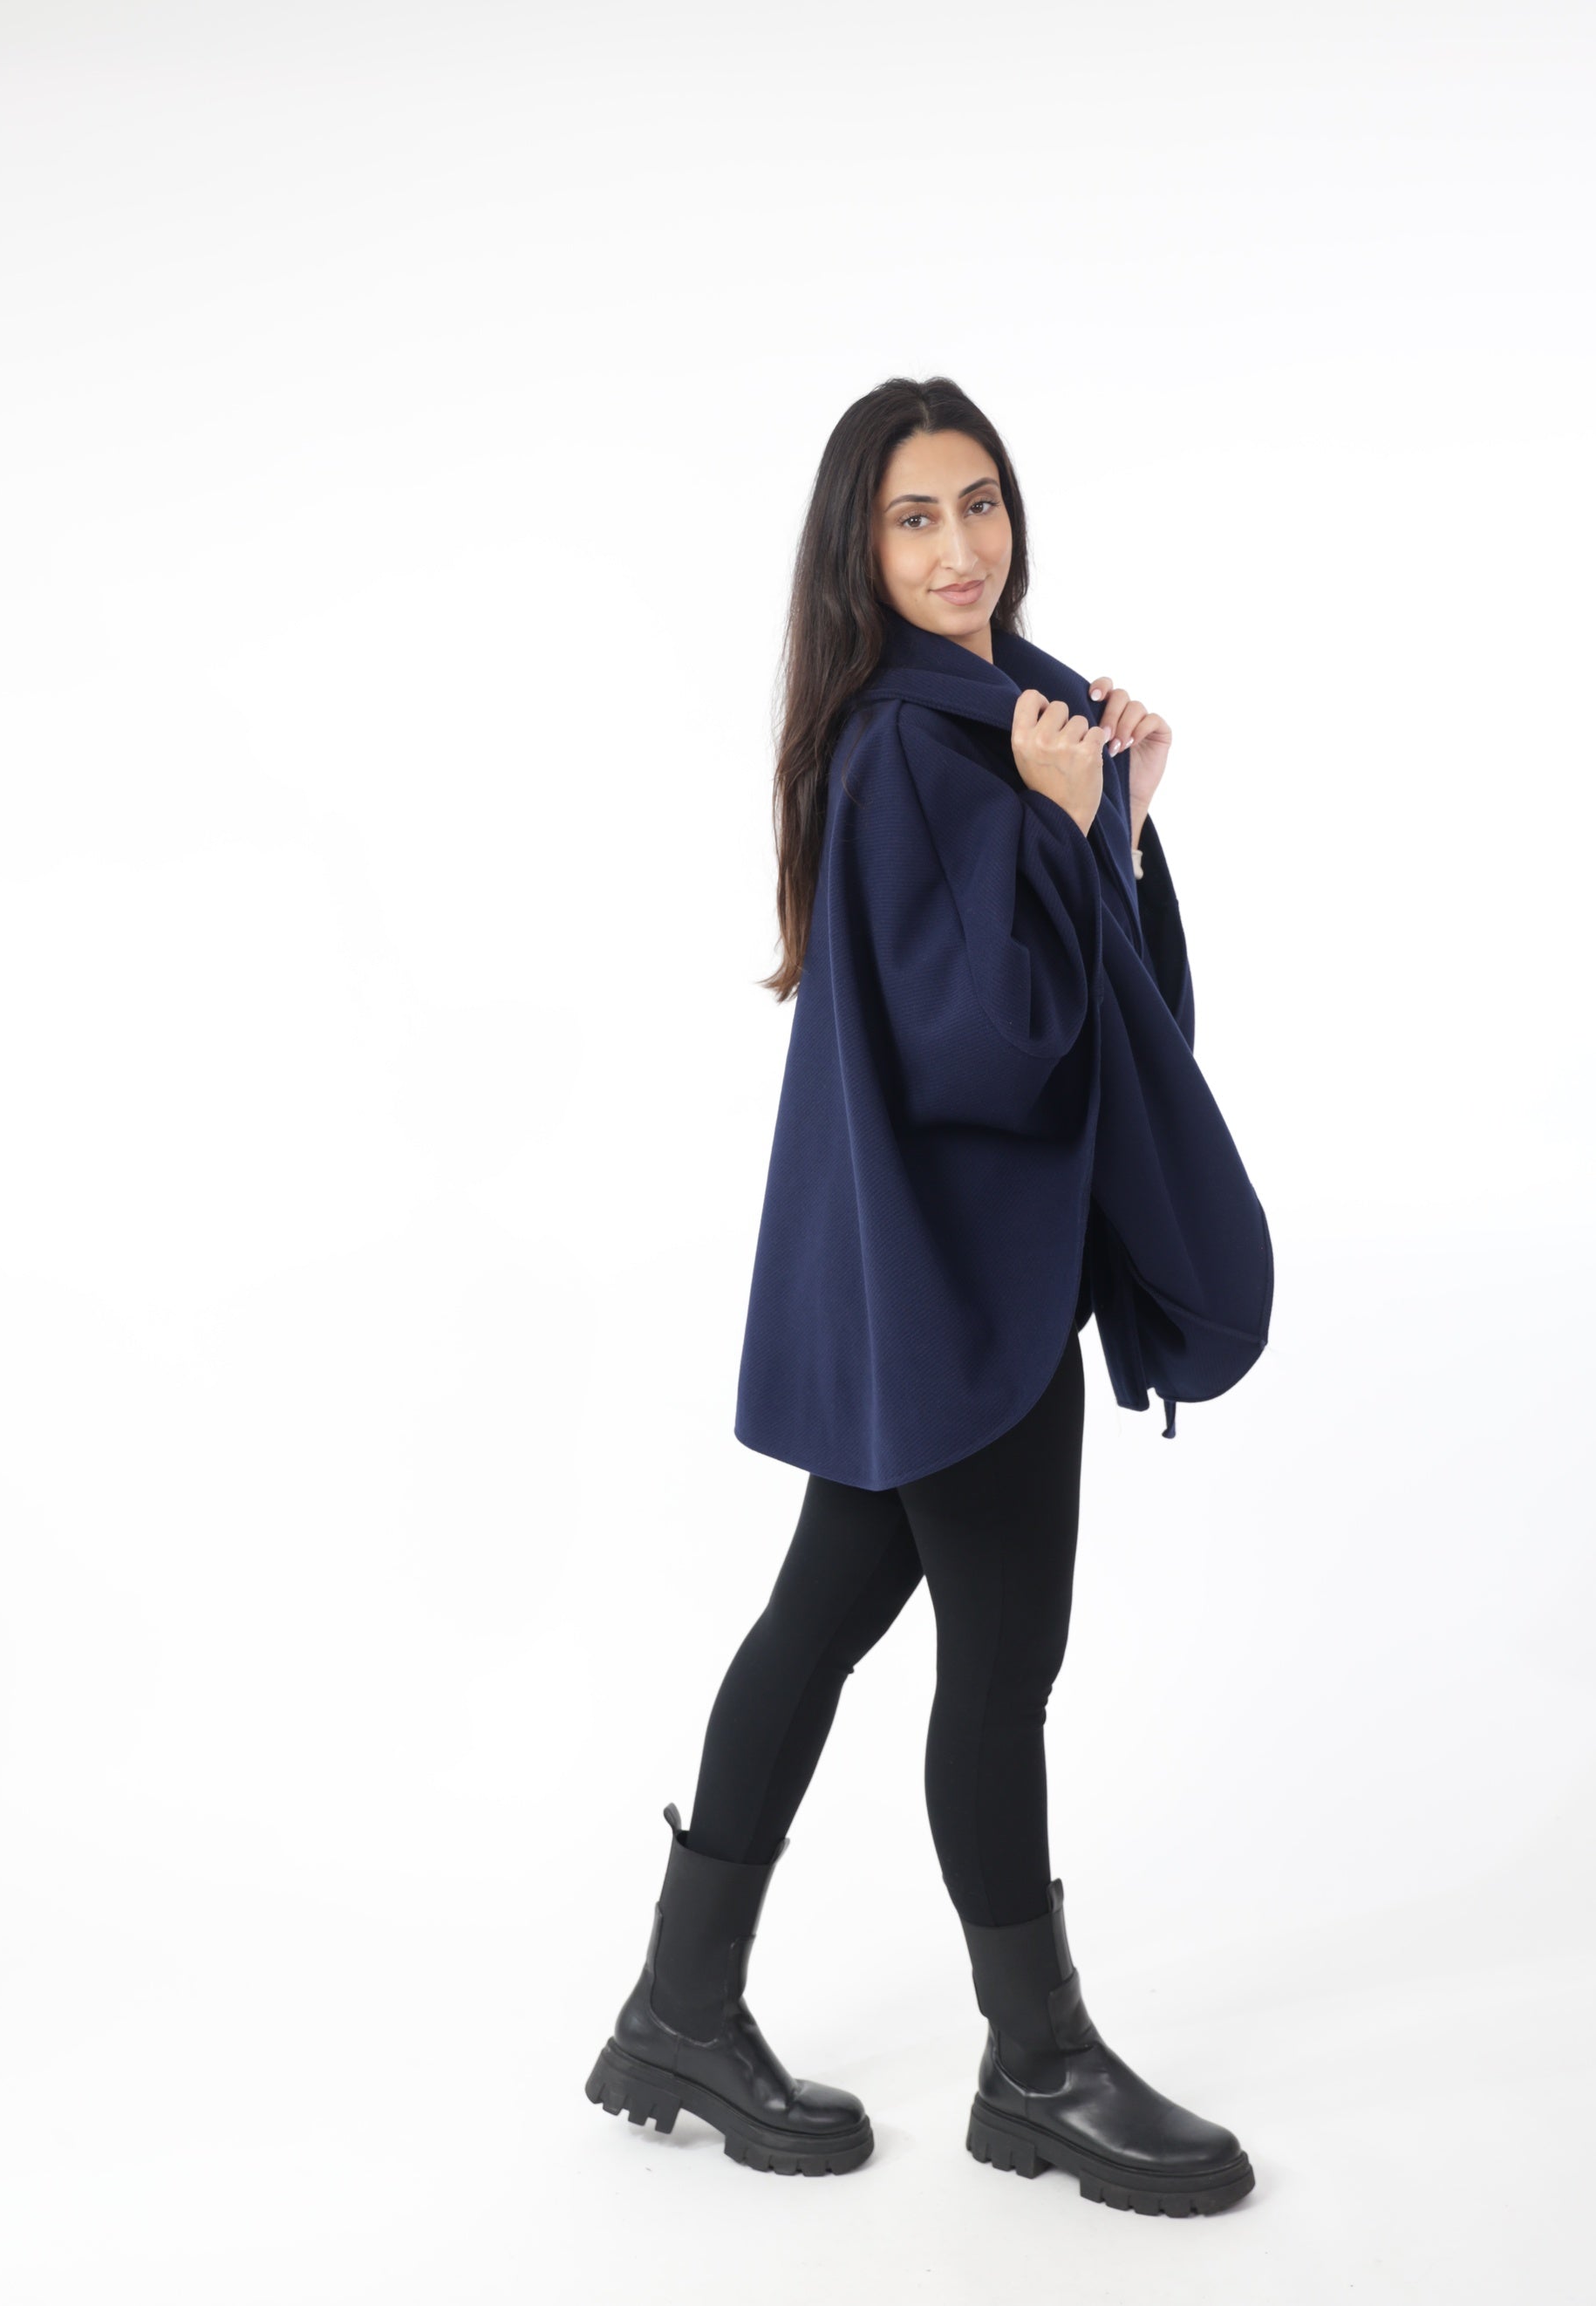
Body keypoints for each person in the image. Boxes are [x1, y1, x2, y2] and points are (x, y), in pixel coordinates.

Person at [585, 376, 1263, 2217]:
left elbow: (1119, 1020)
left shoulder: (1001, 717)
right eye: (914, 518)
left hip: (944, 1269)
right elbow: (999, 1051)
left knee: (817, 1617)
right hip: (961, 1279)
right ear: (858, 547)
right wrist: (1071, 818)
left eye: (981, 504)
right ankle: (1039, 2062)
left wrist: (1119, 819)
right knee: (1000, 1665)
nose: (961, 548)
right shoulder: (914, 741)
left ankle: (676, 2006)